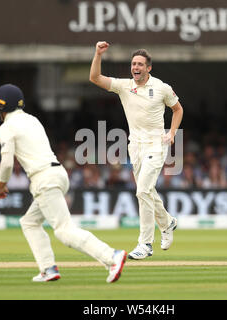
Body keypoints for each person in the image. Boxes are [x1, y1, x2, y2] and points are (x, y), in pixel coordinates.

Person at [0, 83, 126, 282]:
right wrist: (1, 136)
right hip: (57, 174)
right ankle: (48, 269)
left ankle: (112, 256)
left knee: (64, 230)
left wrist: (1, 185)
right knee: (29, 222)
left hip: (44, 179)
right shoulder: (31, 120)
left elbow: (7, 162)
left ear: (3, 106)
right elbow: (26, 144)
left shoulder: (8, 127)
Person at [90, 41, 184, 260]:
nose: (136, 67)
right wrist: (97, 54)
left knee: (142, 190)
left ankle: (145, 244)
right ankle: (167, 222)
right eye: (133, 64)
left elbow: (178, 109)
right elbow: (94, 78)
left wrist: (172, 133)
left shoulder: (162, 87)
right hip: (135, 146)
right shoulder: (124, 86)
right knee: (147, 190)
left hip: (156, 144)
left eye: (140, 64)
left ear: (148, 68)